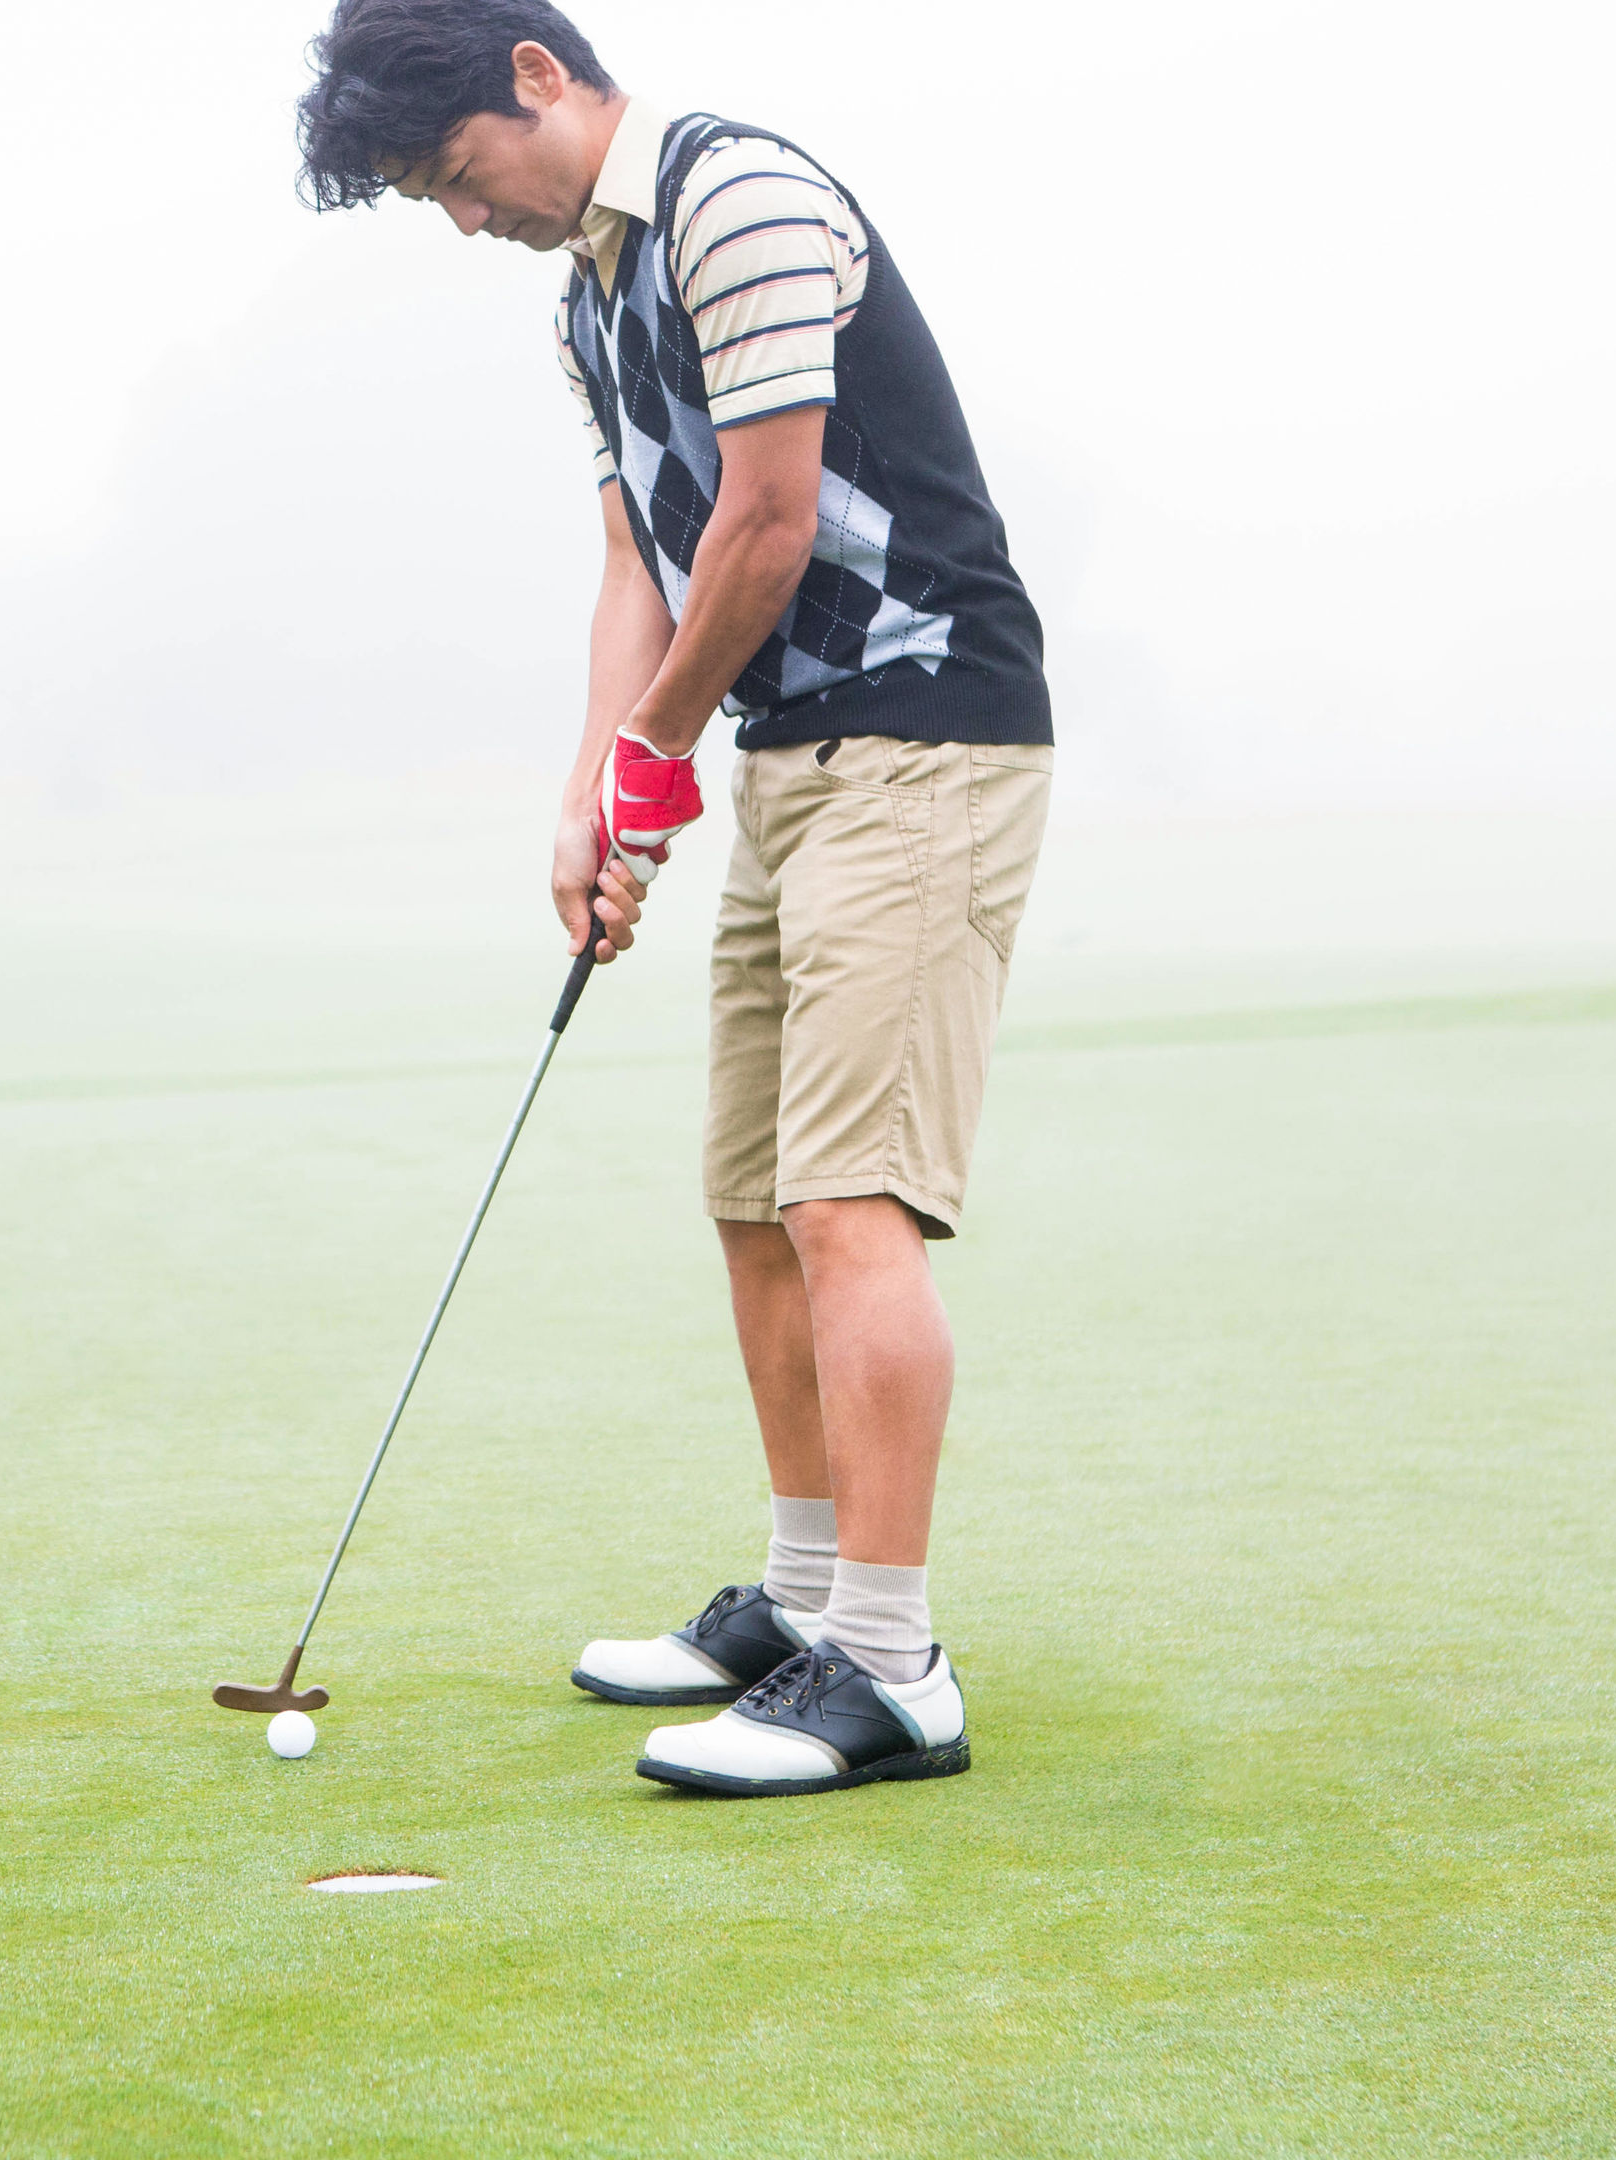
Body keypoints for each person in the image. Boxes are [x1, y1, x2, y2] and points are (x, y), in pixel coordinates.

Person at [295, 0, 1054, 1797]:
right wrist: (594, 786)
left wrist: (653, 757)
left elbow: (770, 523)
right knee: (752, 1200)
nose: (466, 222)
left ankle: (890, 1663)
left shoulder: (742, 199)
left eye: (459, 176)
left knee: (847, 1194)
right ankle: (806, 1600)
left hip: (928, 726)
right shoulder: (586, 297)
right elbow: (645, 542)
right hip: (795, 753)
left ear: (537, 80)